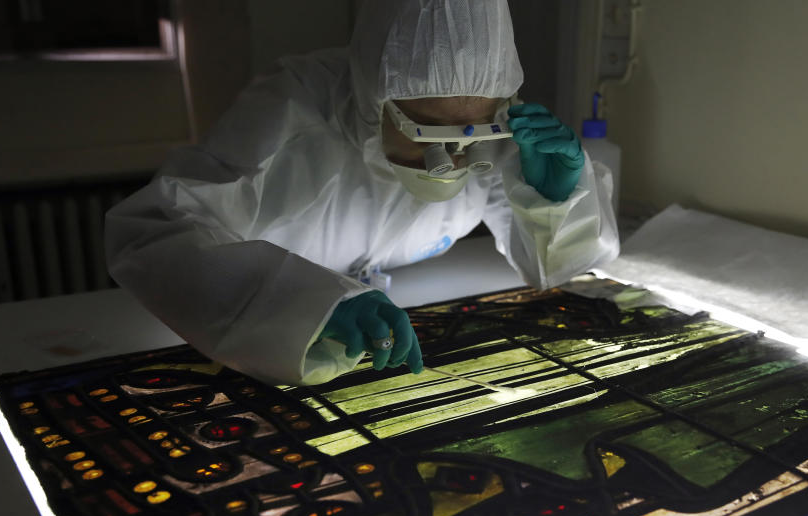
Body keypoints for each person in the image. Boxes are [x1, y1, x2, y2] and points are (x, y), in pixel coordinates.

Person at [105, 0, 619, 387]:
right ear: (375, 99)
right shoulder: (293, 109)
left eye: (474, 134)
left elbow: (558, 271)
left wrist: (556, 201)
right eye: (427, 134)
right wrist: (299, 304)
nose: (454, 160)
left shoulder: (486, 124)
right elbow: (155, 231)